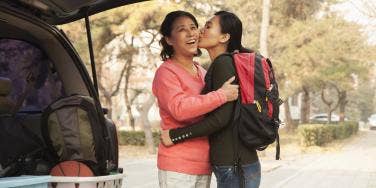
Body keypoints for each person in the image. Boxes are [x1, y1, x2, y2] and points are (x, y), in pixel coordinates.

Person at [161, 11, 261, 188]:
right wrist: (220, 95)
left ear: (224, 37)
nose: (198, 32)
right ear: (169, 39)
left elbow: (220, 118)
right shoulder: (167, 72)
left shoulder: (214, 67)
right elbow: (181, 108)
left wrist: (176, 136)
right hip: (183, 165)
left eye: (198, 27)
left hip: (229, 163)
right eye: (182, 29)